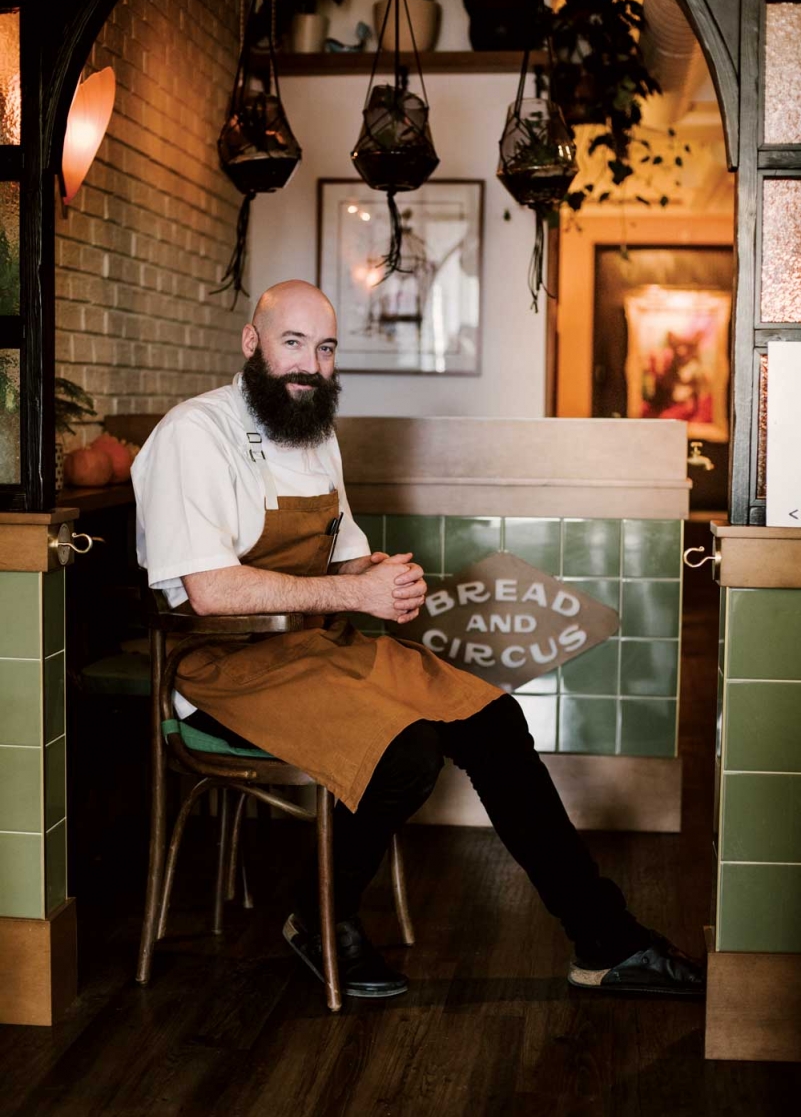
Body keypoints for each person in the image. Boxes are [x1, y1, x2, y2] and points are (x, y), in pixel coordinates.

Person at [133, 280, 704, 1001]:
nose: (311, 364)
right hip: (221, 667)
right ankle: (319, 918)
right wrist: (350, 593)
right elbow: (211, 592)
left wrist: (380, 576)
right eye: (292, 343)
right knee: (406, 754)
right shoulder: (195, 433)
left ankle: (604, 940)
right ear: (251, 344)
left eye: (326, 347)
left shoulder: (313, 432)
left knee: (492, 718)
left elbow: (343, 558)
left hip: (313, 648)